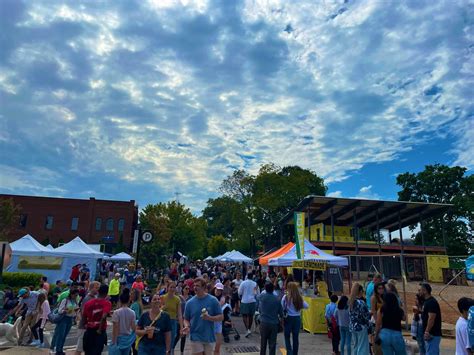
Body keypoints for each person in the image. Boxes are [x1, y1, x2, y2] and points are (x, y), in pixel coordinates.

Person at [183, 277, 223, 355]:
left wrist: (210, 318)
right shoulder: (190, 303)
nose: (195, 287)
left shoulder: (213, 300)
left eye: (197, 285)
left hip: (209, 336)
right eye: (194, 285)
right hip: (195, 335)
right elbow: (186, 319)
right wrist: (187, 326)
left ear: (204, 287)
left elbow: (221, 317)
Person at [82, 284, 112, 355]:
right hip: (99, 331)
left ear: (98, 291)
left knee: (88, 351)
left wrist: (85, 325)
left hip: (89, 330)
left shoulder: (88, 303)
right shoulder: (107, 303)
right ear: (106, 293)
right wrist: (99, 329)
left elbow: (83, 316)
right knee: (97, 351)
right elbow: (104, 316)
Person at [281, 282, 309, 355]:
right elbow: (307, 306)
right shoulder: (299, 297)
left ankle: (289, 352)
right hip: (297, 318)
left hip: (288, 318)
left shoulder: (286, 297)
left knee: (287, 336)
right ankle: (295, 353)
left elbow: (282, 306)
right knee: (295, 337)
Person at [75, 281, 100, 355]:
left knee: (88, 348)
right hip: (84, 327)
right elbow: (83, 313)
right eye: (96, 288)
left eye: (98, 288)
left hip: (90, 327)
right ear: (91, 288)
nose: (98, 289)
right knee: (79, 348)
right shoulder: (87, 298)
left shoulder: (95, 297)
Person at [258, 282, 283, 355]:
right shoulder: (277, 299)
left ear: (265, 289)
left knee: (263, 343)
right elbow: (281, 313)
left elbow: (257, 299)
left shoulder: (262, 297)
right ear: (273, 289)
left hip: (263, 322)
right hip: (274, 323)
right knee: (272, 344)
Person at [110, 289, 136, 355]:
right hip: (127, 339)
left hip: (118, 338)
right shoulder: (132, 312)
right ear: (128, 300)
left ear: (120, 301)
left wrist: (114, 341)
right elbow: (133, 327)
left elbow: (115, 328)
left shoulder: (116, 312)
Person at [54, 288, 80, 355]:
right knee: (61, 335)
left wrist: (76, 310)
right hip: (63, 318)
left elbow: (76, 309)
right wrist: (65, 310)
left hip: (70, 319)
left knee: (65, 335)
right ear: (71, 294)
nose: (76, 296)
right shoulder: (65, 300)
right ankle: (58, 350)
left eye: (77, 295)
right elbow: (59, 310)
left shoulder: (75, 301)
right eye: (75, 295)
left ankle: (60, 349)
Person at [419, 283, 442, 355]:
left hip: (432, 334)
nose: (419, 292)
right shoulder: (427, 302)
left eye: (420, 290)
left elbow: (431, 318)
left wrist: (427, 331)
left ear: (425, 291)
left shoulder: (431, 302)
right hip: (430, 334)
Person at [162, 281, 184, 355]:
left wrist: (181, 327)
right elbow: (158, 311)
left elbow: (180, 314)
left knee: (171, 342)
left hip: (173, 321)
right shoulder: (163, 298)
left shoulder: (177, 299)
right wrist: (163, 308)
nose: (172, 289)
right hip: (164, 321)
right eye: (171, 287)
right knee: (163, 341)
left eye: (174, 287)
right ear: (167, 288)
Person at [349, 282, 370, 355]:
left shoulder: (350, 302)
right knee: (362, 347)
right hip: (361, 327)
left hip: (352, 326)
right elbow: (366, 316)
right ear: (360, 291)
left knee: (356, 346)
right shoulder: (361, 303)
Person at [238, 272, 258, 338]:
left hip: (244, 301)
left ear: (247, 276)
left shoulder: (243, 283)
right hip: (252, 301)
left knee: (244, 315)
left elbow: (239, 292)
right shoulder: (255, 283)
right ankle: (249, 328)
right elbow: (256, 293)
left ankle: (247, 329)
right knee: (250, 316)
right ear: (252, 277)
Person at [370, 282, 386, 355]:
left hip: (384, 321)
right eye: (379, 288)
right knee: (376, 339)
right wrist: (377, 322)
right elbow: (373, 310)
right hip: (376, 321)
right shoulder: (374, 298)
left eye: (382, 288)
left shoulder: (384, 297)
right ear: (376, 289)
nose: (381, 290)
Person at [178, 283, 192, 354]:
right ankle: (172, 349)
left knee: (184, 336)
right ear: (183, 289)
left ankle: (181, 352)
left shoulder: (191, 297)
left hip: (187, 319)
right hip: (179, 318)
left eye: (188, 289)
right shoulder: (179, 297)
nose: (187, 290)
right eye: (186, 288)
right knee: (177, 335)